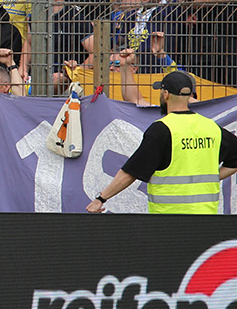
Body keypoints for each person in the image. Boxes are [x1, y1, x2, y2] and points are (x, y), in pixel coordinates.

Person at [88, 70, 237, 214]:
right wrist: (211, 177)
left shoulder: (162, 129)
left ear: (165, 94)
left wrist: (101, 198)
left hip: (168, 219)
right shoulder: (211, 127)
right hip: (207, 218)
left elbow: (130, 173)